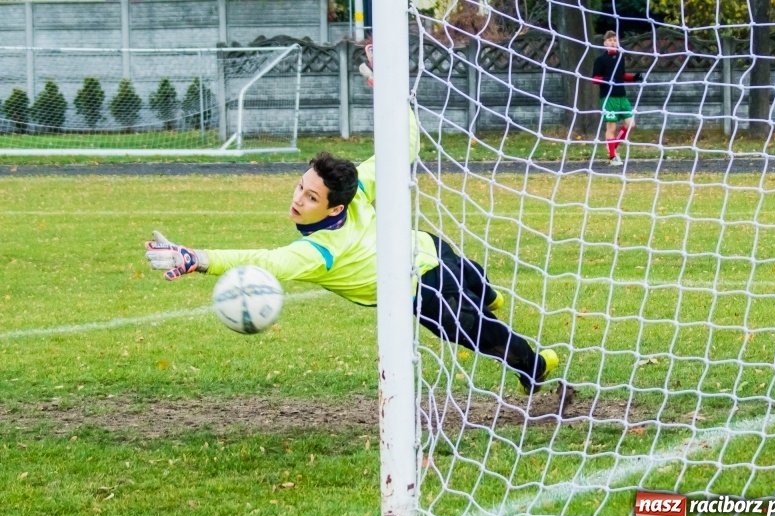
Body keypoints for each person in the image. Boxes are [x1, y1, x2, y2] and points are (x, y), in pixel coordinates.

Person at [144, 53, 559, 396]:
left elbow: (405, 147)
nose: (298, 199)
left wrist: (392, 94)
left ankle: (534, 365)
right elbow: (264, 261)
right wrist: (195, 257)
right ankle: (492, 304)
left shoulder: (332, 230)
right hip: (427, 264)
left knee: (483, 332)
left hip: (426, 274)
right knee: (478, 289)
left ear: (331, 206)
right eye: (300, 187)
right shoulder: (339, 216)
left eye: (310, 197)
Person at [592, 30, 642, 166]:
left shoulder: (620, 57)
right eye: (610, 40)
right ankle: (613, 157)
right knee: (611, 127)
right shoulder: (600, 60)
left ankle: (612, 148)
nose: (612, 42)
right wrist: (606, 80)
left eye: (615, 40)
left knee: (630, 123)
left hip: (622, 96)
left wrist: (633, 78)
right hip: (608, 98)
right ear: (605, 43)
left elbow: (621, 76)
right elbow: (594, 79)